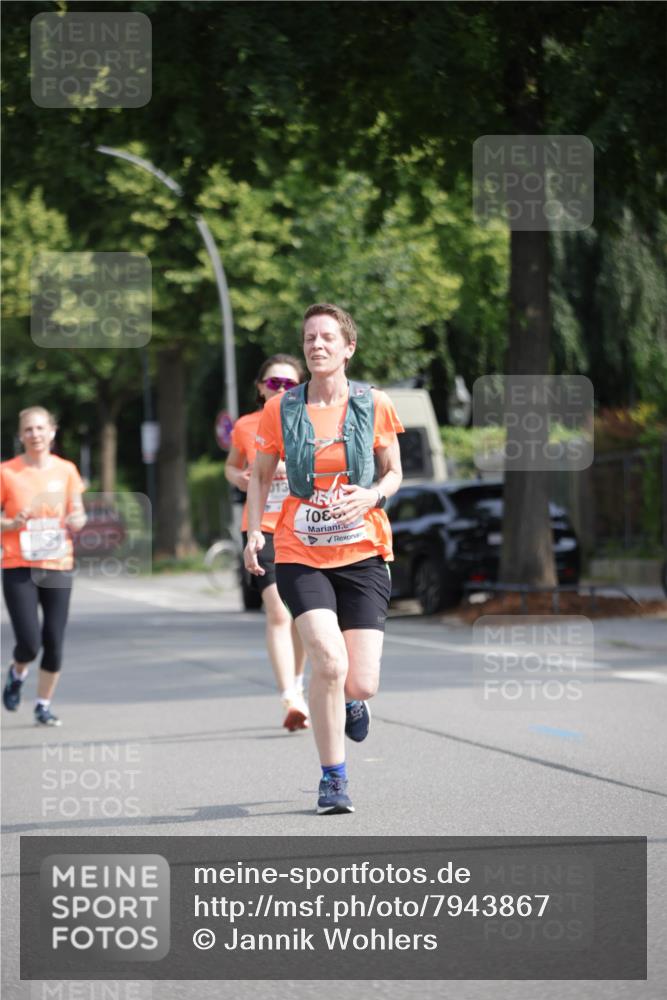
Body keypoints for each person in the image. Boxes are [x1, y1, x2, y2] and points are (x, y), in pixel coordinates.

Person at [244, 304, 403, 814]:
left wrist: (373, 494)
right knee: (328, 663)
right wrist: (253, 536)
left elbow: (394, 471)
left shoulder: (374, 403)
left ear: (348, 347)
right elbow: (262, 477)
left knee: (361, 681)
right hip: (298, 551)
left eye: (328, 337)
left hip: (362, 551)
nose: (317, 345)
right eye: (310, 337)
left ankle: (352, 701)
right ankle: (333, 779)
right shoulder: (281, 409)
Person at [226, 355, 310, 731]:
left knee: (305, 613)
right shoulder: (245, 425)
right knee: (278, 611)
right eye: (273, 383)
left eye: (289, 384)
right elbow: (231, 465)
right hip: (262, 527)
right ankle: (289, 697)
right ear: (260, 387)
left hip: (306, 524)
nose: (280, 390)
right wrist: (241, 478)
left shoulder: (311, 418)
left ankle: (299, 683)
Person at [1, 406, 86, 726]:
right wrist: (10, 522)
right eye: (28, 430)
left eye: (40, 428)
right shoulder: (7, 472)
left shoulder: (66, 470)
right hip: (17, 563)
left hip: (57, 563)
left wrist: (77, 519)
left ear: (52, 431)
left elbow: (78, 512)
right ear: (21, 435)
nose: (34, 435)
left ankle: (43, 704)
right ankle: (17, 671)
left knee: (54, 639)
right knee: (29, 642)